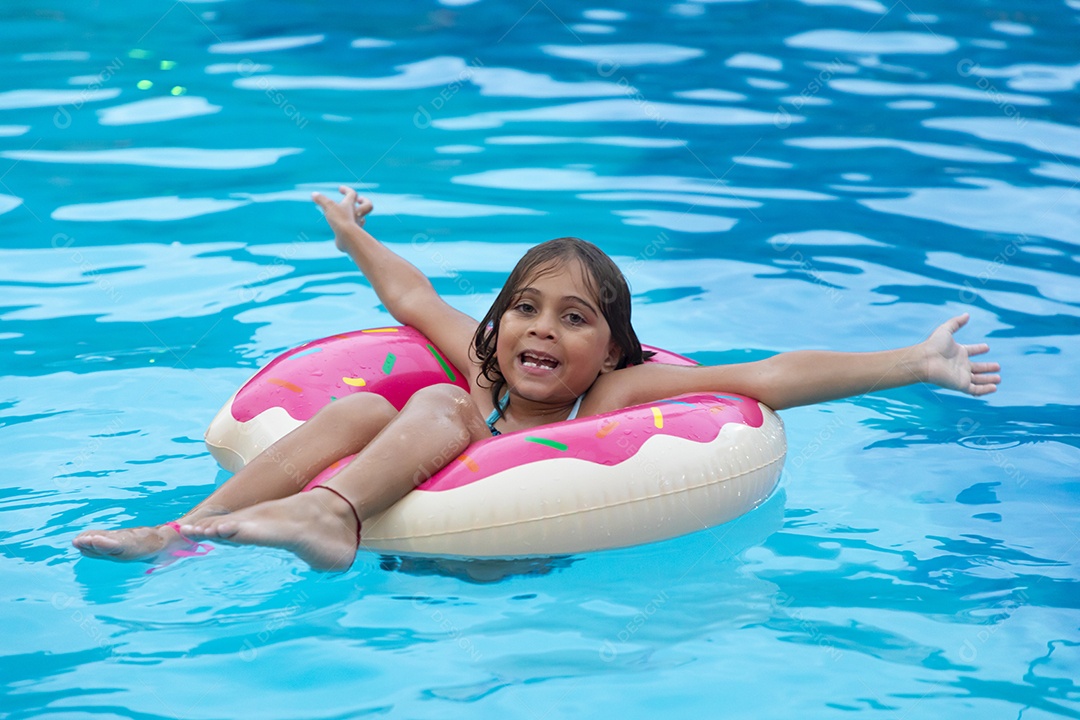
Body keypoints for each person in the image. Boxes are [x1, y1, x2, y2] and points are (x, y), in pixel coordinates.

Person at [72, 186, 1002, 571]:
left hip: (514, 560)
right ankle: (182, 535)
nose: (541, 330)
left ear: (613, 349)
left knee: (433, 404)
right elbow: (412, 297)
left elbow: (768, 375)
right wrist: (352, 232)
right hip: (413, 544)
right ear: (499, 323)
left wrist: (913, 364)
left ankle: (330, 516)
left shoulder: (620, 397)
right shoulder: (479, 366)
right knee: (366, 401)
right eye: (525, 308)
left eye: (575, 318)